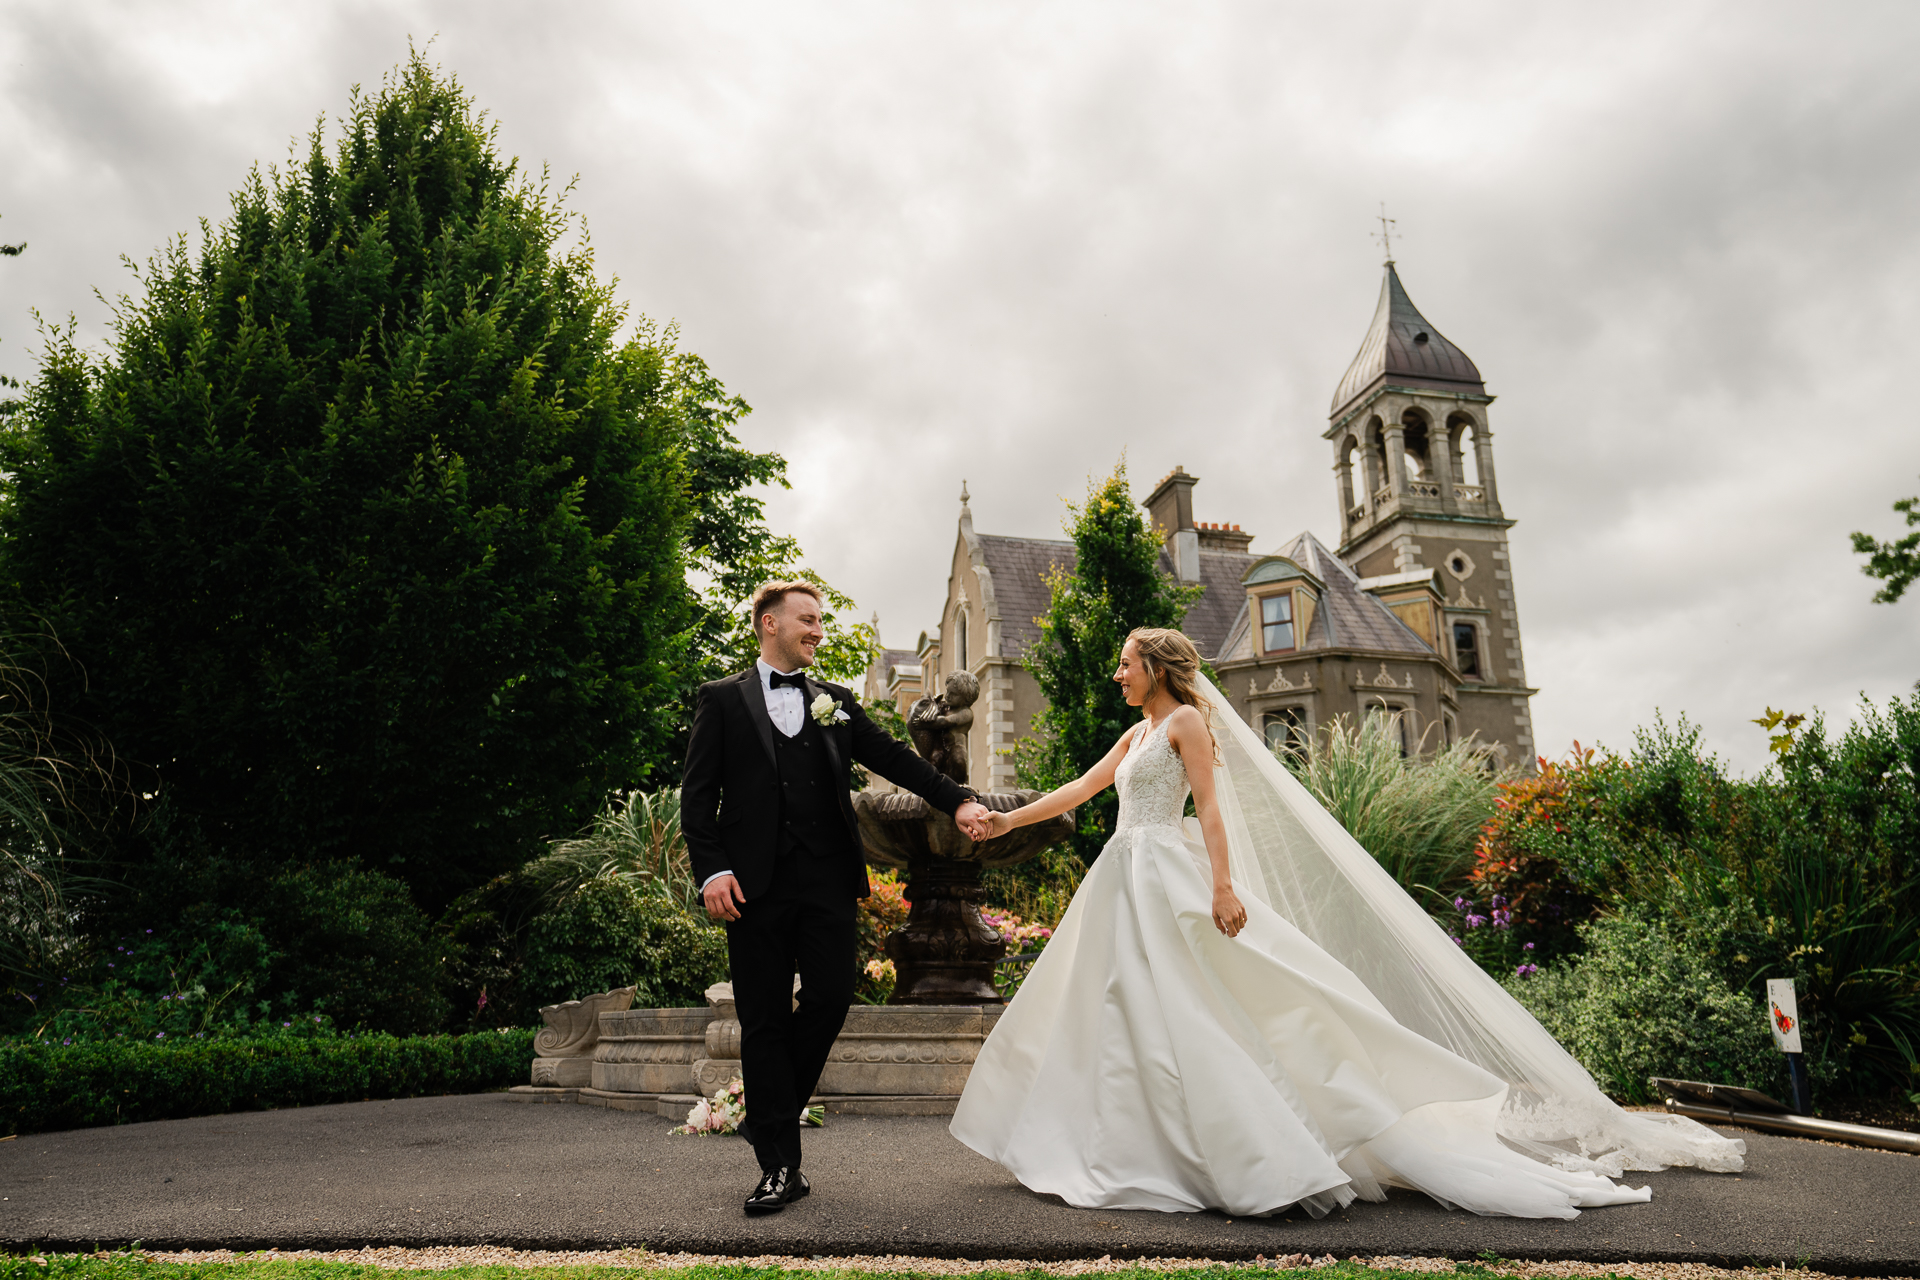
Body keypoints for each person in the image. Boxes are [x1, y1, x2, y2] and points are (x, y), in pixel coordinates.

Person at [951, 627, 1745, 1219]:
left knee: (1199, 1004)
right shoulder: (1135, 734)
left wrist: (1224, 889)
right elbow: (1079, 792)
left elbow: (1215, 813)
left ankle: (1252, 1146)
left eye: (1125, 664)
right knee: (1124, 1009)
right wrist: (1000, 819)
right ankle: (1132, 1143)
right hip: (1124, 875)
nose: (1117, 675)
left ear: (1155, 667)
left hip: (1168, 873)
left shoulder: (1189, 726)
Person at [683, 580, 993, 1217]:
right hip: (751, 890)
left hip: (827, 881)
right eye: (808, 620)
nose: (818, 630)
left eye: (820, 620)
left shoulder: (835, 701)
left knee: (829, 997)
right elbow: (697, 799)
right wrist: (712, 873)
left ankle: (767, 1116)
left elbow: (898, 761)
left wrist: (959, 798)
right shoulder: (721, 701)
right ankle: (780, 1167)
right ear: (769, 624)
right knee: (763, 1019)